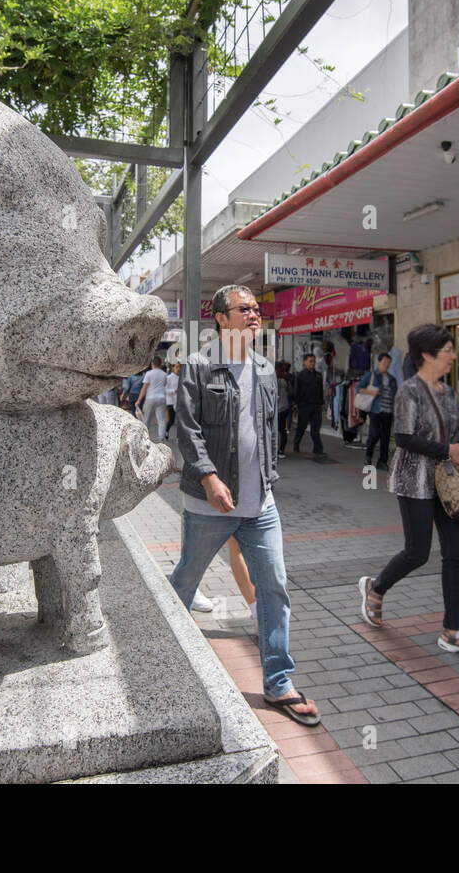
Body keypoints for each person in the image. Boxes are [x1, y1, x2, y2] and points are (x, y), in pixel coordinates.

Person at [172, 284, 319, 726]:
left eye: (257, 309)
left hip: (260, 505)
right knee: (183, 582)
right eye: (245, 309)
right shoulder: (197, 366)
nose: (255, 315)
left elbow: (268, 427)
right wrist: (210, 476)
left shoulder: (264, 367)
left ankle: (278, 683)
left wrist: (269, 475)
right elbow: (188, 429)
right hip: (209, 504)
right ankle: (161, 650)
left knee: (273, 585)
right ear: (220, 317)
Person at [358, 324, 459, 663]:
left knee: (454, 555)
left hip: (447, 484)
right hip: (413, 481)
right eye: (447, 350)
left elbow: (454, 433)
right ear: (428, 355)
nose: (453, 356)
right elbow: (404, 437)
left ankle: (453, 630)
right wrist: (448, 449)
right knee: (417, 553)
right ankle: (376, 588)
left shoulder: (447, 393)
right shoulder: (408, 391)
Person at [363, 352, 399, 469]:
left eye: (389, 363)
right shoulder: (372, 375)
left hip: (388, 411)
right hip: (375, 410)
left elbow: (395, 395)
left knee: (386, 437)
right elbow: (359, 388)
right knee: (375, 434)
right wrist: (372, 392)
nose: (387, 365)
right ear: (379, 362)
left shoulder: (392, 379)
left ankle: (382, 462)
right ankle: (368, 455)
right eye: (385, 362)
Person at [290, 353, 326, 457]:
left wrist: (321, 404)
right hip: (304, 406)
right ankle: (296, 445)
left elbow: (320, 391)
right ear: (305, 362)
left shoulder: (318, 375)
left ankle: (318, 449)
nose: (312, 363)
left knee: (316, 429)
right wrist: (297, 405)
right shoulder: (300, 376)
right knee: (302, 427)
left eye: (314, 361)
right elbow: (296, 391)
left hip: (316, 406)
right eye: (310, 361)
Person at [136, 356, 169, 442]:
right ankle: (161, 437)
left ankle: (145, 438)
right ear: (160, 364)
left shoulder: (149, 374)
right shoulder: (164, 374)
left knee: (146, 419)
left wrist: (139, 400)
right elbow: (165, 386)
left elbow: (144, 388)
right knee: (161, 419)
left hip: (151, 398)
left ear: (152, 364)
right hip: (162, 397)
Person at [275, 360, 292, 459]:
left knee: (279, 430)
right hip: (282, 408)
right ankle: (280, 450)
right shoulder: (283, 380)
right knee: (281, 430)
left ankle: (280, 450)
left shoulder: (280, 380)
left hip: (281, 409)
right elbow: (290, 392)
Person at [164, 361, 180, 436]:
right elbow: (165, 390)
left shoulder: (182, 377)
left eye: (180, 367)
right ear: (172, 368)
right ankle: (166, 432)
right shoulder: (169, 378)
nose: (179, 369)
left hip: (180, 401)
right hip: (171, 401)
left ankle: (179, 436)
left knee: (180, 420)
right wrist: (174, 391)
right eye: (177, 367)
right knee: (171, 420)